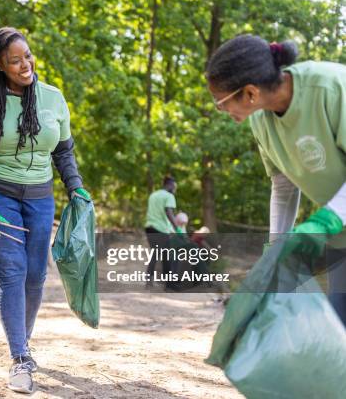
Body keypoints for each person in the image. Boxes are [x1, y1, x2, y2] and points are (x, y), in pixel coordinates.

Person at [0, 27, 90, 394]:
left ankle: (23, 344)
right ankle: (19, 358)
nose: (24, 65)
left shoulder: (52, 98)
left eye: (27, 56)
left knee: (35, 276)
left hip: (40, 198)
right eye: (14, 60)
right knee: (12, 272)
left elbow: (63, 151)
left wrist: (75, 186)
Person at [206, 34, 346, 326]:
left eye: (221, 103)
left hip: (336, 223)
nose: (222, 111)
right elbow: (283, 186)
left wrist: (326, 220)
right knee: (337, 328)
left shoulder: (331, 88)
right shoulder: (260, 120)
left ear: (250, 93)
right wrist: (275, 251)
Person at [144, 176, 179, 285]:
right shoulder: (169, 196)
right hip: (160, 229)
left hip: (149, 227)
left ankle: (149, 281)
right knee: (167, 256)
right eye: (174, 186)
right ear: (170, 185)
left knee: (155, 254)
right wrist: (177, 228)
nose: (175, 189)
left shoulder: (153, 195)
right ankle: (169, 283)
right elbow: (169, 212)